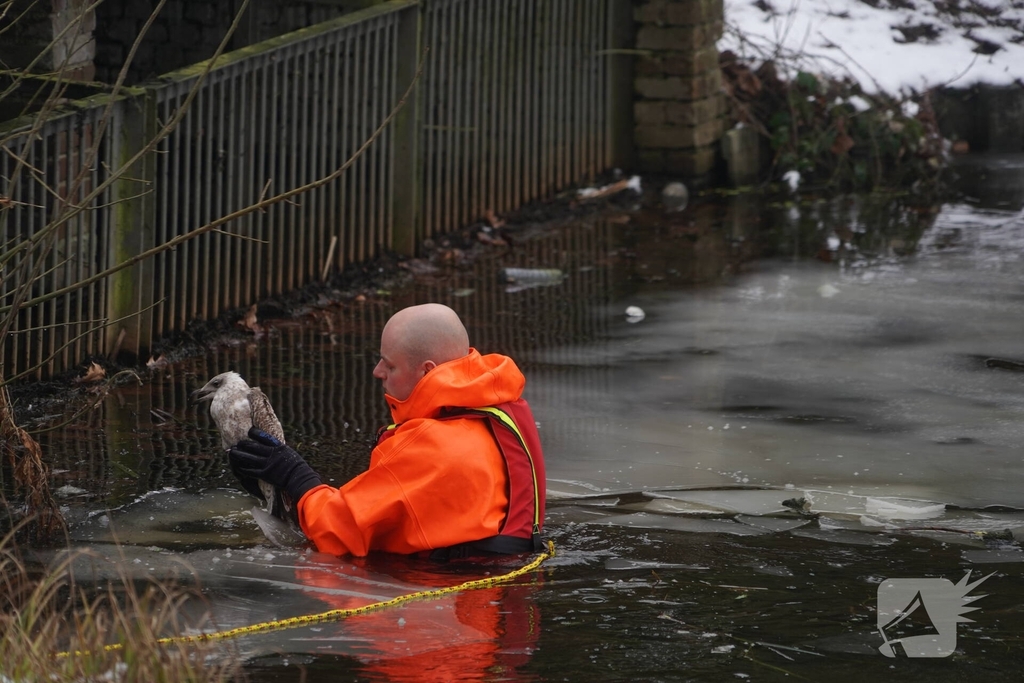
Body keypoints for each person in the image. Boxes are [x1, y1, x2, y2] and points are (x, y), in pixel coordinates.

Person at [228, 303, 546, 558]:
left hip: (449, 609)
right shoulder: (497, 412)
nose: (377, 372)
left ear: (427, 371)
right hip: (504, 587)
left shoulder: (429, 445)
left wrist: (295, 477)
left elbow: (337, 532)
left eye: (389, 365)